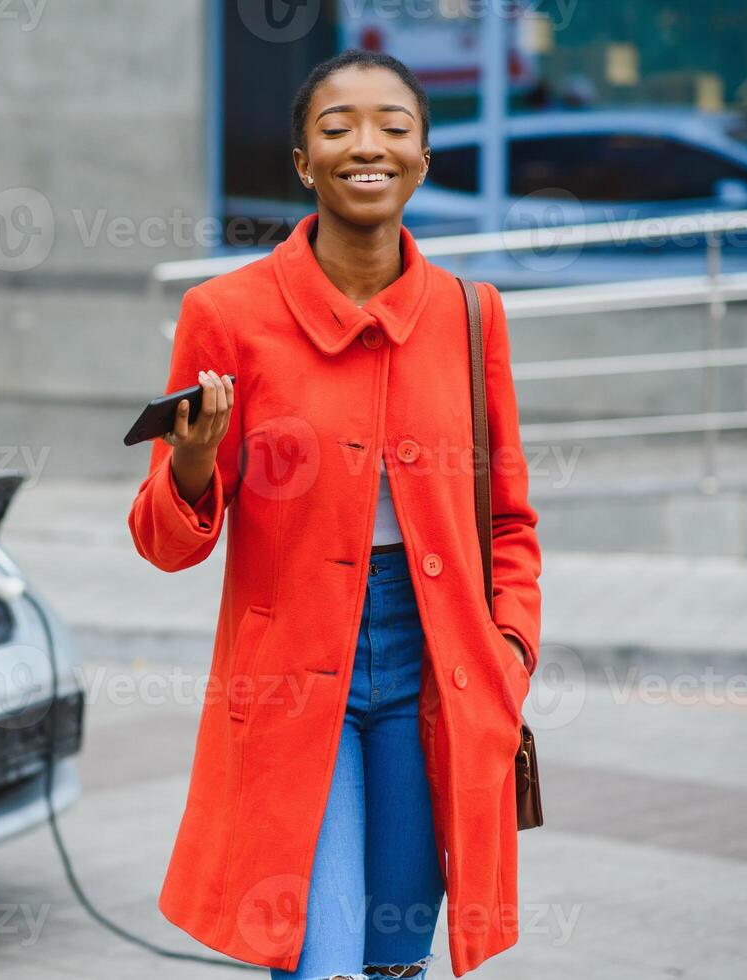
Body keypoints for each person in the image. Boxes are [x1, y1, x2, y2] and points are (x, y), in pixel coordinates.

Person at [127, 50, 542, 979]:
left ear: (425, 160)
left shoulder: (473, 315)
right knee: (320, 960)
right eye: (337, 126)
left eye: (395, 127)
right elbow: (162, 545)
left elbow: (510, 520)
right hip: (290, 678)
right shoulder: (226, 315)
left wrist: (509, 651)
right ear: (302, 161)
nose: (369, 146)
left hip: (440, 666)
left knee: (396, 960)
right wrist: (192, 467)